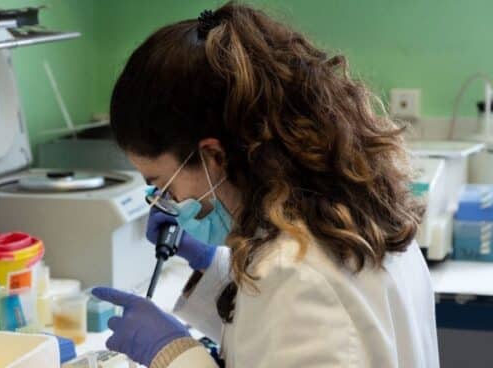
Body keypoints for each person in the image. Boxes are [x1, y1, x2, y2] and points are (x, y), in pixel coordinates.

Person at [91, 2, 440, 367]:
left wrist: (170, 352)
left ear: (214, 156)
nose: (167, 203)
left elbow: (292, 318)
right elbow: (273, 340)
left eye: (162, 186)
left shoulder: (296, 271)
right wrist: (211, 270)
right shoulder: (349, 213)